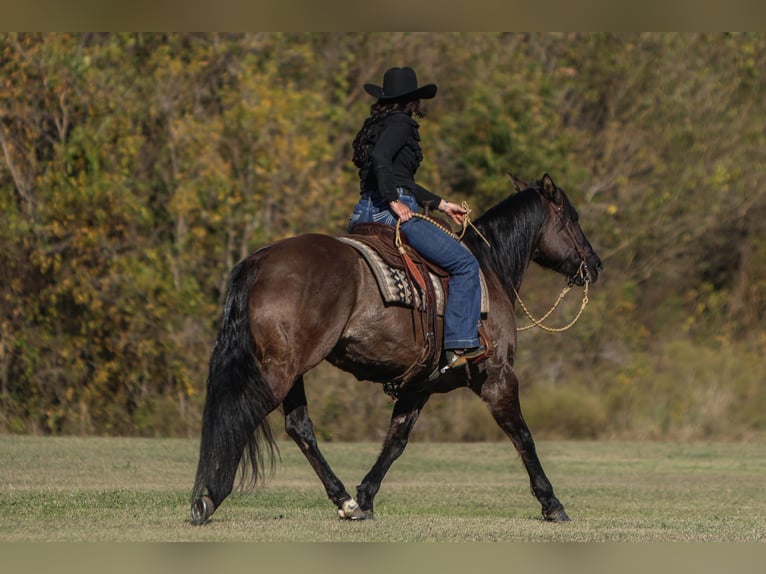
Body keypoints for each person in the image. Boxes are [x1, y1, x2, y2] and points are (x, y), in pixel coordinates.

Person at [348, 66, 485, 370]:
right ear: (413, 100)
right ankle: (459, 344)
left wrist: (440, 203)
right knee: (465, 264)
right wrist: (394, 200)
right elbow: (386, 162)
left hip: (362, 213)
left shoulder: (377, 126)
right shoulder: (401, 124)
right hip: (390, 213)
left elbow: (396, 174)